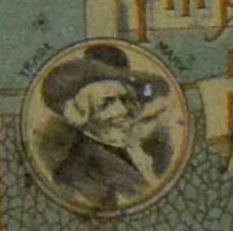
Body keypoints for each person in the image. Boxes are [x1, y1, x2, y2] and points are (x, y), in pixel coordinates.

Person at [37, 43, 179, 212]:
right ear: (80, 114)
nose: (123, 110)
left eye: (125, 100)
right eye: (106, 104)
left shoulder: (144, 150)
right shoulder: (75, 175)